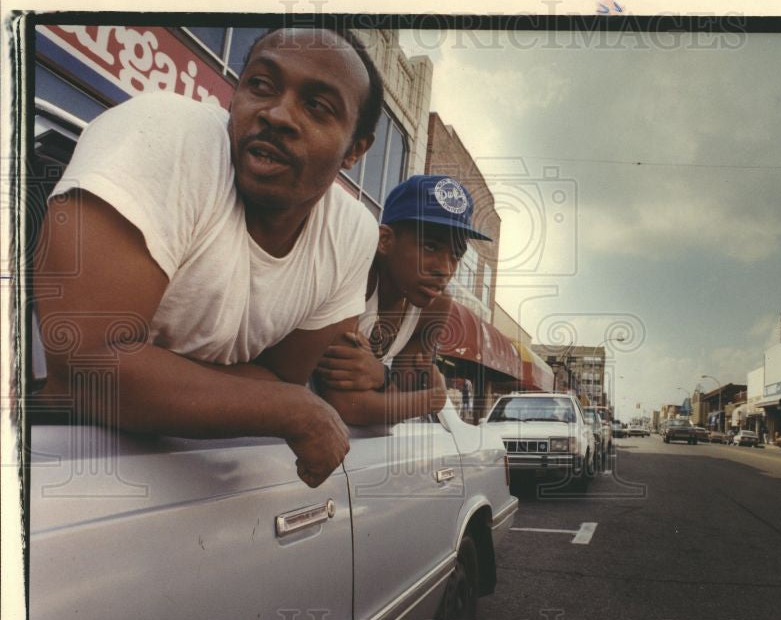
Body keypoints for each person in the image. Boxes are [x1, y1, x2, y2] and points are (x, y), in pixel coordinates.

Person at [35, 25, 387, 487]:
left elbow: (283, 376)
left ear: (355, 150)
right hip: (58, 464)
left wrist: (145, 370)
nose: (278, 114)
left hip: (187, 480)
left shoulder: (350, 233)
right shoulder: (167, 130)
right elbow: (88, 369)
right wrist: (290, 410)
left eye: (318, 107)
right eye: (261, 85)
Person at [315, 175, 493, 425]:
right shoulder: (357, 277)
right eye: (430, 247)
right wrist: (435, 399)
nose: (445, 268)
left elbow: (405, 390)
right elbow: (349, 405)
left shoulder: (436, 305)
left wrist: (382, 377)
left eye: (455, 255)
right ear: (385, 240)